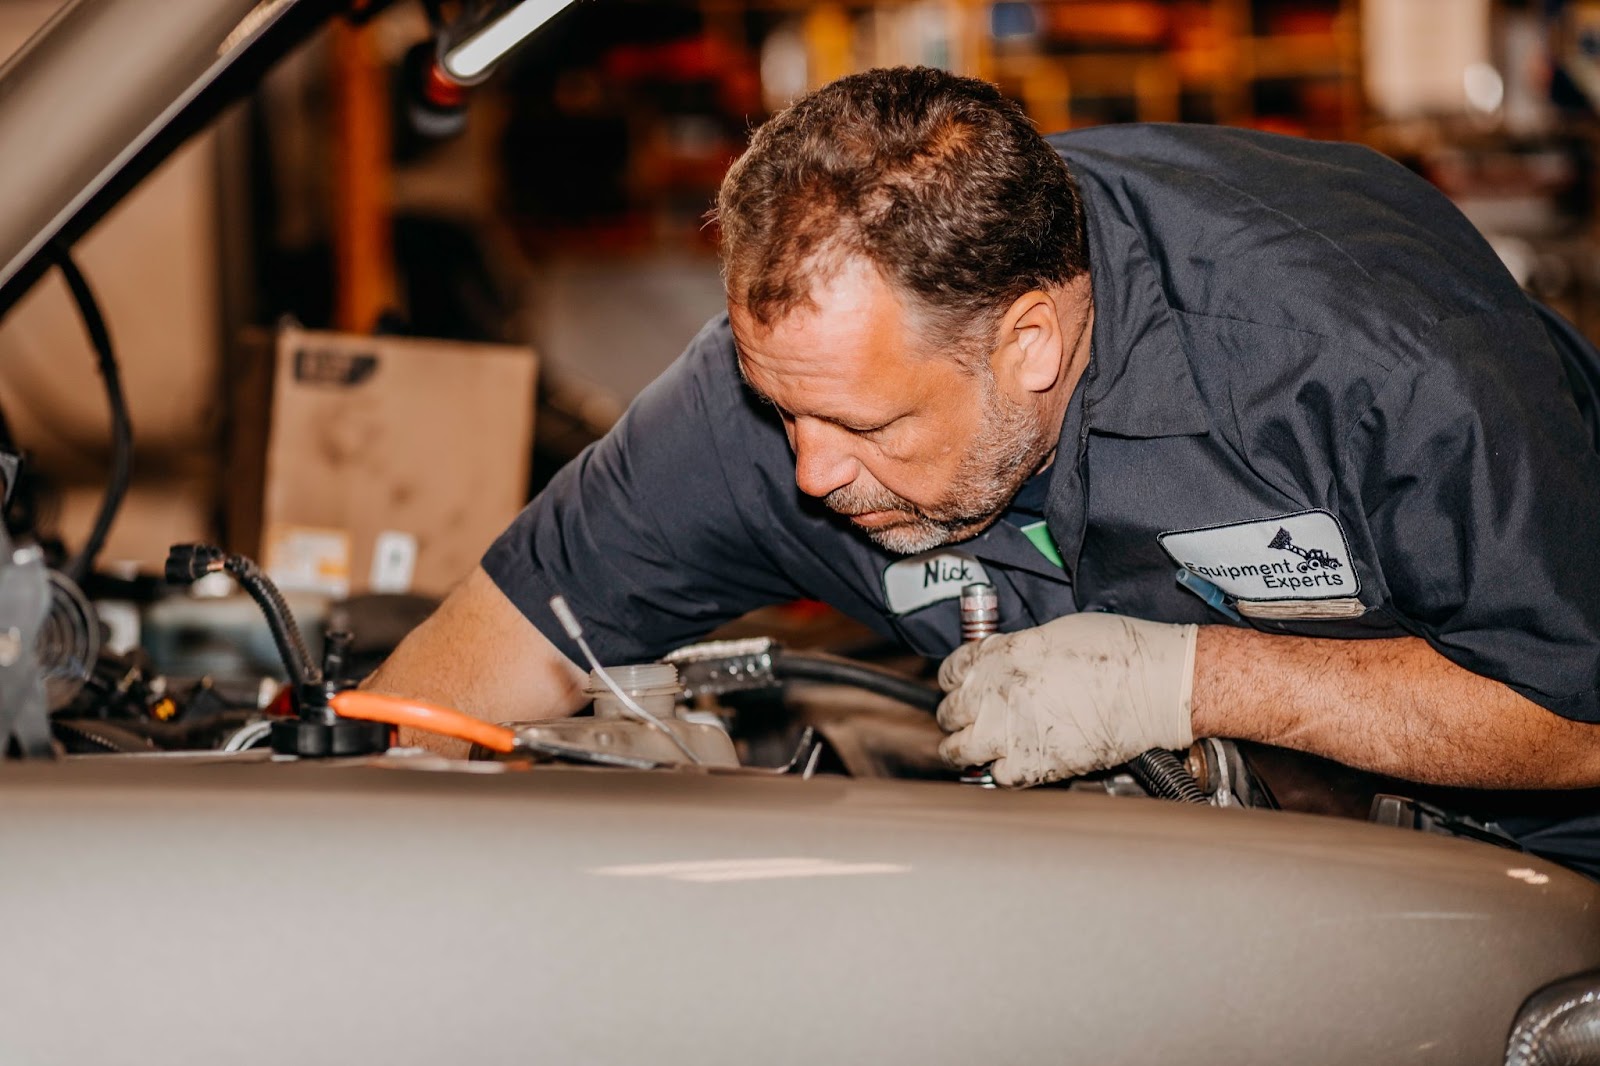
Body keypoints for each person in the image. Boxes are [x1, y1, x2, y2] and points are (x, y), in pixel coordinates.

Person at [368, 66, 1600, 810]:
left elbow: (1578, 713)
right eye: (782, 409)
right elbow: (496, 647)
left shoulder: (1361, 360)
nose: (808, 468)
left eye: (863, 424)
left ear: (1030, 345)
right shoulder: (789, 389)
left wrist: (1188, 679)